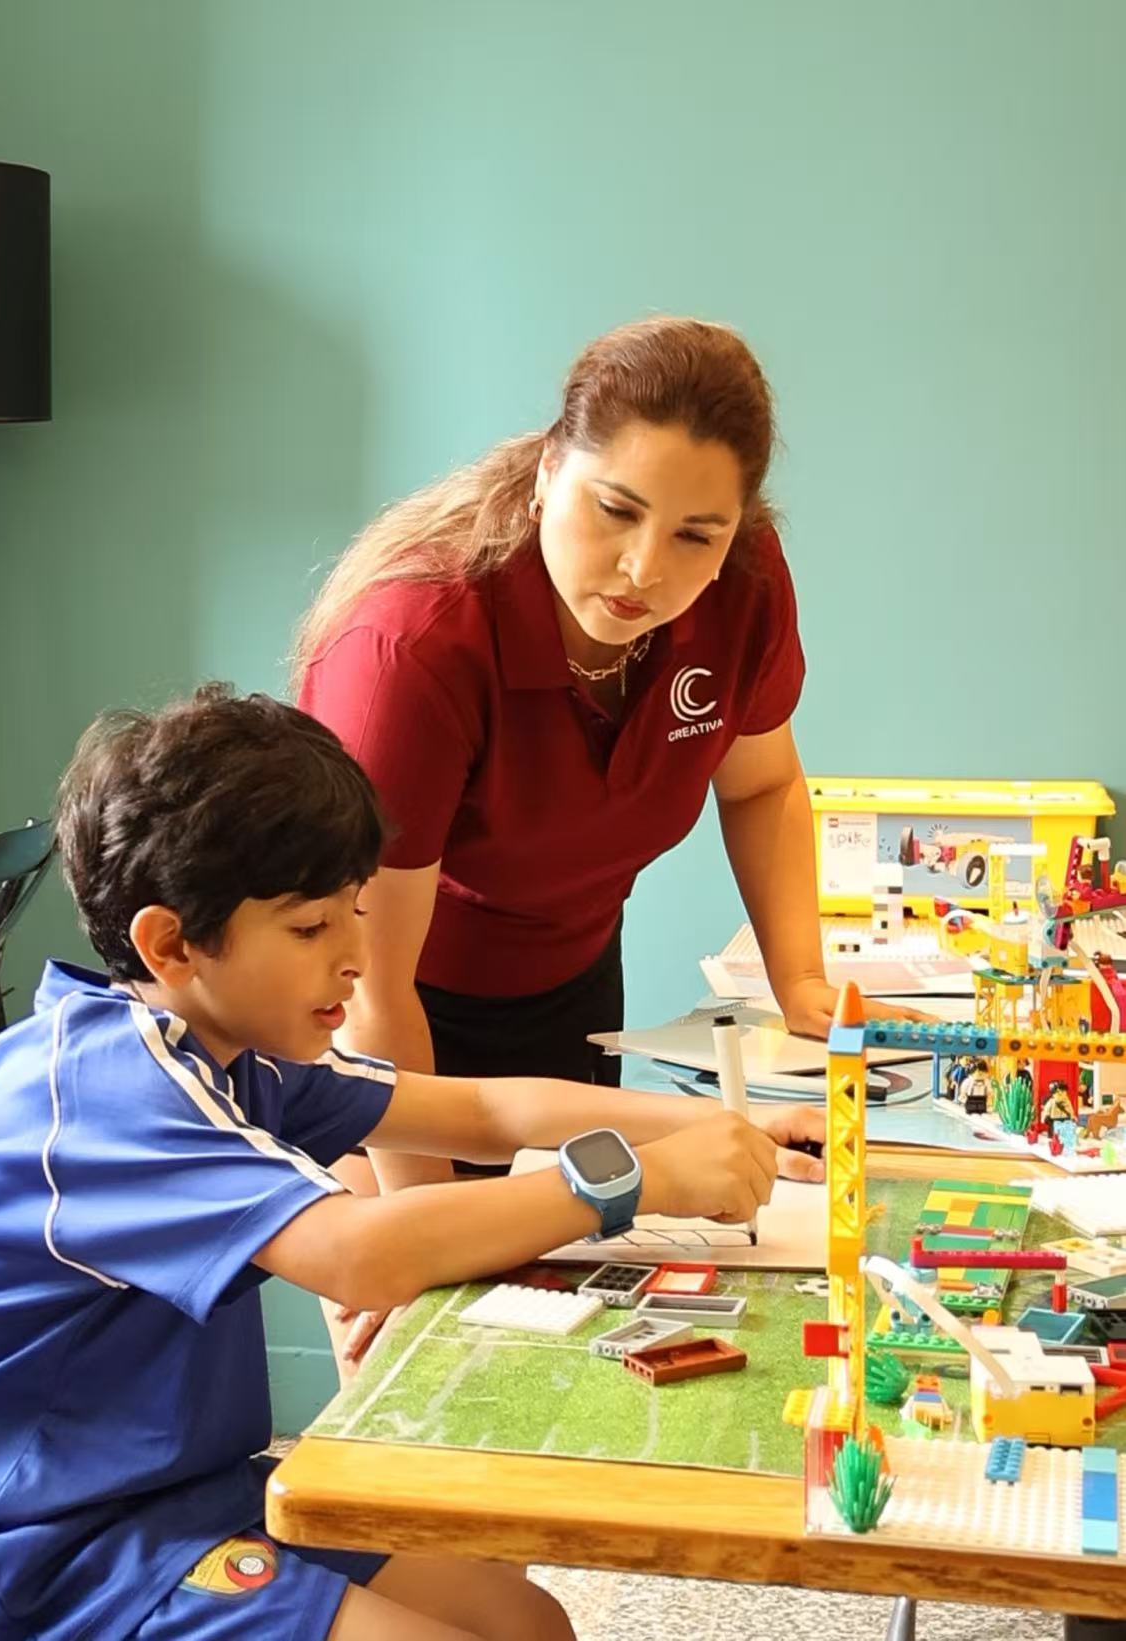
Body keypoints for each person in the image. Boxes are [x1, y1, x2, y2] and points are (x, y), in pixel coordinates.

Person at [0, 687, 825, 1641]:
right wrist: (632, 1181)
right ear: (171, 944)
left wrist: (724, 1124)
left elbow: (485, 1111)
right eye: (309, 927)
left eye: (355, 910)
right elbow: (360, 1255)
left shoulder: (229, 1049)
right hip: (36, 1552)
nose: (357, 953)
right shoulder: (108, 1091)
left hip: (175, 1495)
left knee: (527, 1623)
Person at [294, 315, 910, 1360]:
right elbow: (366, 987)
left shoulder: (744, 585)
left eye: (694, 536)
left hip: (569, 985)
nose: (641, 567)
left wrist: (801, 980)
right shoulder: (412, 645)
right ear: (548, 473)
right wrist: (423, 1239)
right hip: (374, 1021)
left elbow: (761, 783)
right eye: (614, 509)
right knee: (417, 1358)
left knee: (559, 1341)